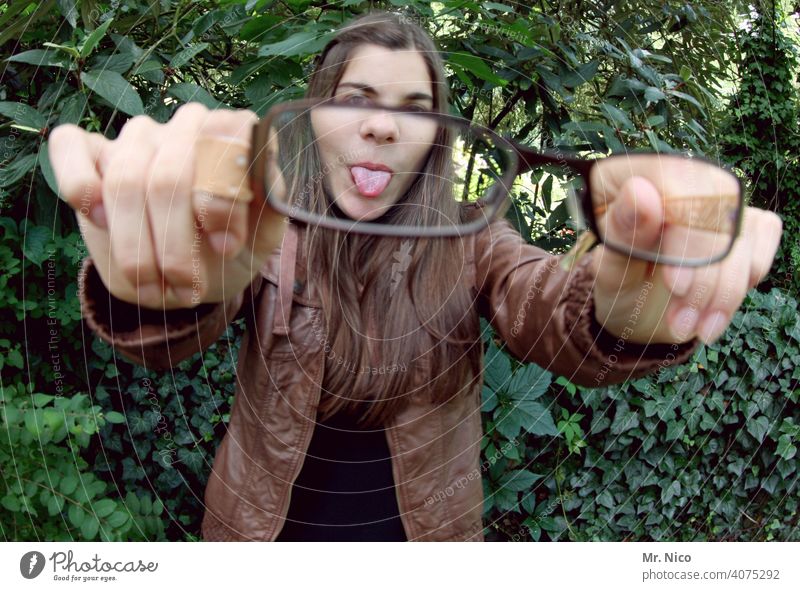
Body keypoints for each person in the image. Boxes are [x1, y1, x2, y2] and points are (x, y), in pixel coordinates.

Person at [49, 11, 783, 541]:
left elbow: (547, 305)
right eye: (356, 101)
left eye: (415, 108)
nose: (382, 126)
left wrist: (627, 301)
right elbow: (187, 317)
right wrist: (158, 282)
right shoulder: (264, 231)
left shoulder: (472, 241)